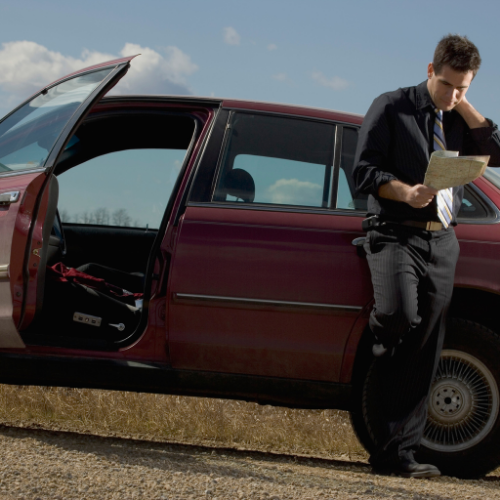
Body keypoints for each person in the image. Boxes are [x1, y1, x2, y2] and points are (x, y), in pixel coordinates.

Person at [353, 34, 500, 478]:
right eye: (448, 84)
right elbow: (363, 171)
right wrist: (405, 191)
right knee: (399, 318)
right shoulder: (390, 106)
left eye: (465, 87)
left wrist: (464, 105)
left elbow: (496, 152)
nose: (454, 95)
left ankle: (398, 455)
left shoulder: (460, 117)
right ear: (430, 69)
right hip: (395, 233)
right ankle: (382, 347)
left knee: (426, 347)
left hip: (443, 243)